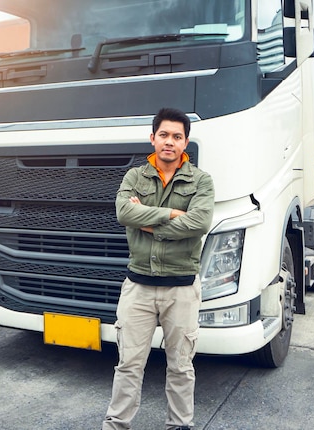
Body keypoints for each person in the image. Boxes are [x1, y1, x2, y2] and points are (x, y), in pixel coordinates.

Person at [102, 107, 215, 430]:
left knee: (181, 366)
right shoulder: (134, 177)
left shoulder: (202, 181)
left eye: (177, 137)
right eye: (164, 135)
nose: (170, 142)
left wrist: (148, 221)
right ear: (153, 139)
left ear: (185, 143)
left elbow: (200, 222)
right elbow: (124, 213)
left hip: (181, 289)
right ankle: (116, 425)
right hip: (138, 287)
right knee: (129, 364)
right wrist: (175, 215)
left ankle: (179, 425)